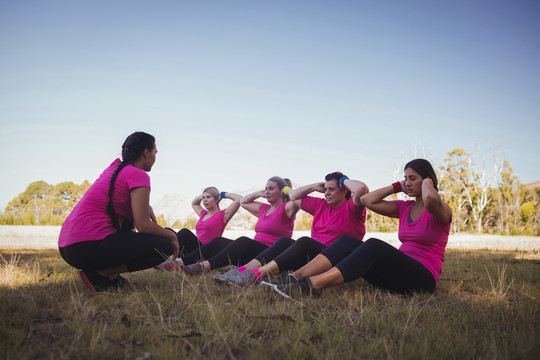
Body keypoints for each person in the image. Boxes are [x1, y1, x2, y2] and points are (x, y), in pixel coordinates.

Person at [265, 159, 452, 298]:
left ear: (427, 180)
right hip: (397, 274)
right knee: (348, 242)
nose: (407, 183)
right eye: (405, 178)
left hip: (423, 278)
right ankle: (294, 278)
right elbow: (367, 200)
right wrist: (396, 186)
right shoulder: (404, 208)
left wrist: (428, 183)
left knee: (374, 245)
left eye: (413, 179)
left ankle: (312, 285)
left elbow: (429, 200)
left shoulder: (441, 210)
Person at [58, 132, 179, 294]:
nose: (155, 158)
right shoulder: (138, 174)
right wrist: (171, 236)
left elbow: (114, 199)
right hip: (87, 246)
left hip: (67, 248)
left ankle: (111, 277)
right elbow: (143, 226)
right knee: (164, 245)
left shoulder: (114, 169)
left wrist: (143, 205)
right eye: (155, 153)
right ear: (146, 152)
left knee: (151, 237)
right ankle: (100, 274)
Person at [214, 172, 368, 286]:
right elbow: (294, 196)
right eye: (325, 189)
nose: (326, 193)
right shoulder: (320, 205)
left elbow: (361, 188)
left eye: (332, 189)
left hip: (336, 257)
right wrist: (315, 186)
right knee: (284, 242)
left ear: (345, 190)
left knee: (305, 242)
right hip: (314, 257)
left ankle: (256, 275)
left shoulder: (353, 207)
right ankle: (244, 271)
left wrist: (343, 180)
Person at [179, 176, 300, 274]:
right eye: (266, 188)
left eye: (271, 189)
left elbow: (296, 197)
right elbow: (243, 201)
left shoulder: (287, 209)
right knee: (219, 241)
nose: (267, 192)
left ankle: (204, 267)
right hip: (255, 254)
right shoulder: (263, 208)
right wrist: (258, 193)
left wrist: (287, 190)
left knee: (243, 241)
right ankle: (180, 262)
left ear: (281, 192)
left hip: (271, 253)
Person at [155, 188, 242, 270]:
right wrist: (203, 195)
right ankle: (159, 258)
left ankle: (167, 261)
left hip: (207, 252)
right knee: (168, 231)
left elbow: (239, 199)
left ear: (216, 200)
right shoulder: (203, 214)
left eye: (208, 197)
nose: (204, 200)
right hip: (194, 251)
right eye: (203, 198)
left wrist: (222, 194)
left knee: (185, 233)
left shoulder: (223, 215)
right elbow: (194, 203)